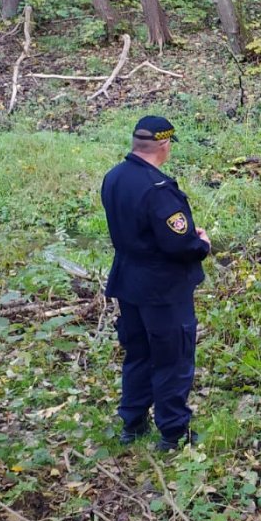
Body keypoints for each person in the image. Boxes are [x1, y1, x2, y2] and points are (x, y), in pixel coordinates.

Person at [100, 115, 210, 451]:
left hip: (128, 281)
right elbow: (178, 244)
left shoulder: (114, 178)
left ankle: (132, 424)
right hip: (162, 289)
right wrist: (201, 242)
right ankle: (173, 434)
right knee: (172, 358)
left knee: (138, 353)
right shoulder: (158, 190)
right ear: (164, 146)